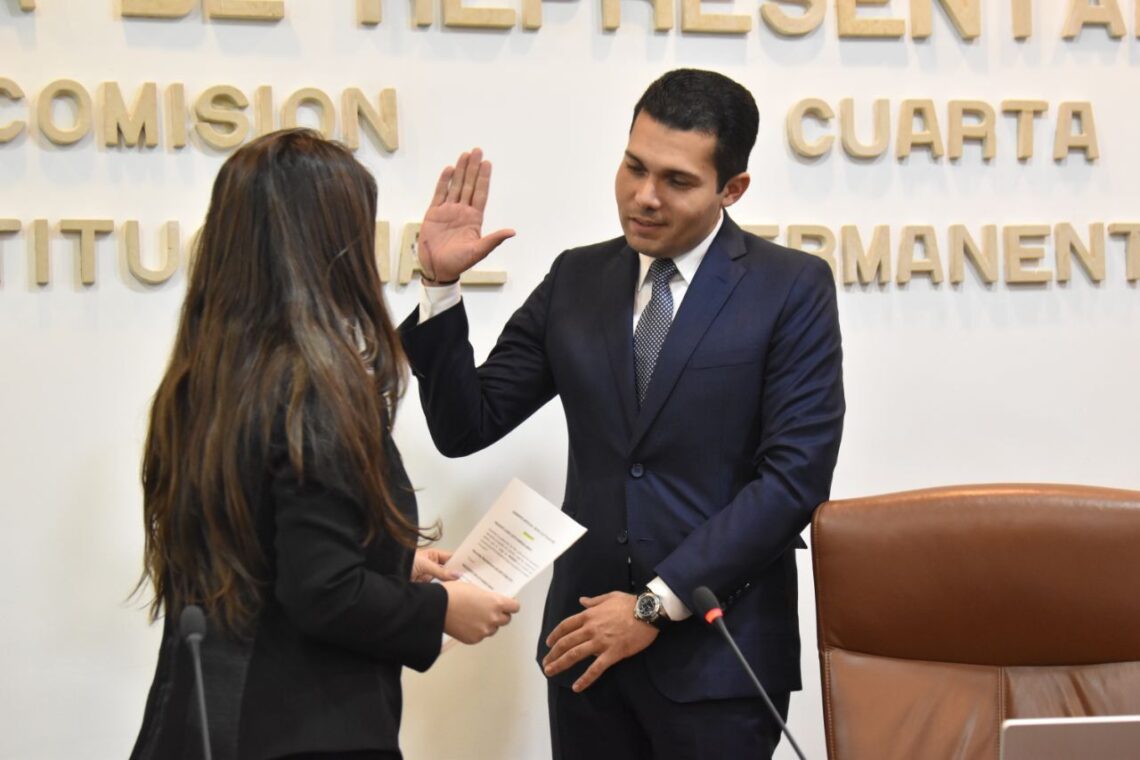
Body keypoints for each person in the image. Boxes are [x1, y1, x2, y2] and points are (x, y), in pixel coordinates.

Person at [400, 69, 845, 759]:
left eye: (677, 180)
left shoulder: (790, 288)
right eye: (634, 166)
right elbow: (467, 425)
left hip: (717, 658)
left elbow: (792, 482)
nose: (644, 197)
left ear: (733, 190)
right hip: (583, 651)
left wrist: (653, 607)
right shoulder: (578, 278)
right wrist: (439, 286)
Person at [129, 128, 519, 760]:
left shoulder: (205, 379)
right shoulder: (314, 390)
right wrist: (440, 610)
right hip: (300, 728)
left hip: (198, 719)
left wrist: (391, 560)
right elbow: (325, 594)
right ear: (328, 247)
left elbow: (270, 546)